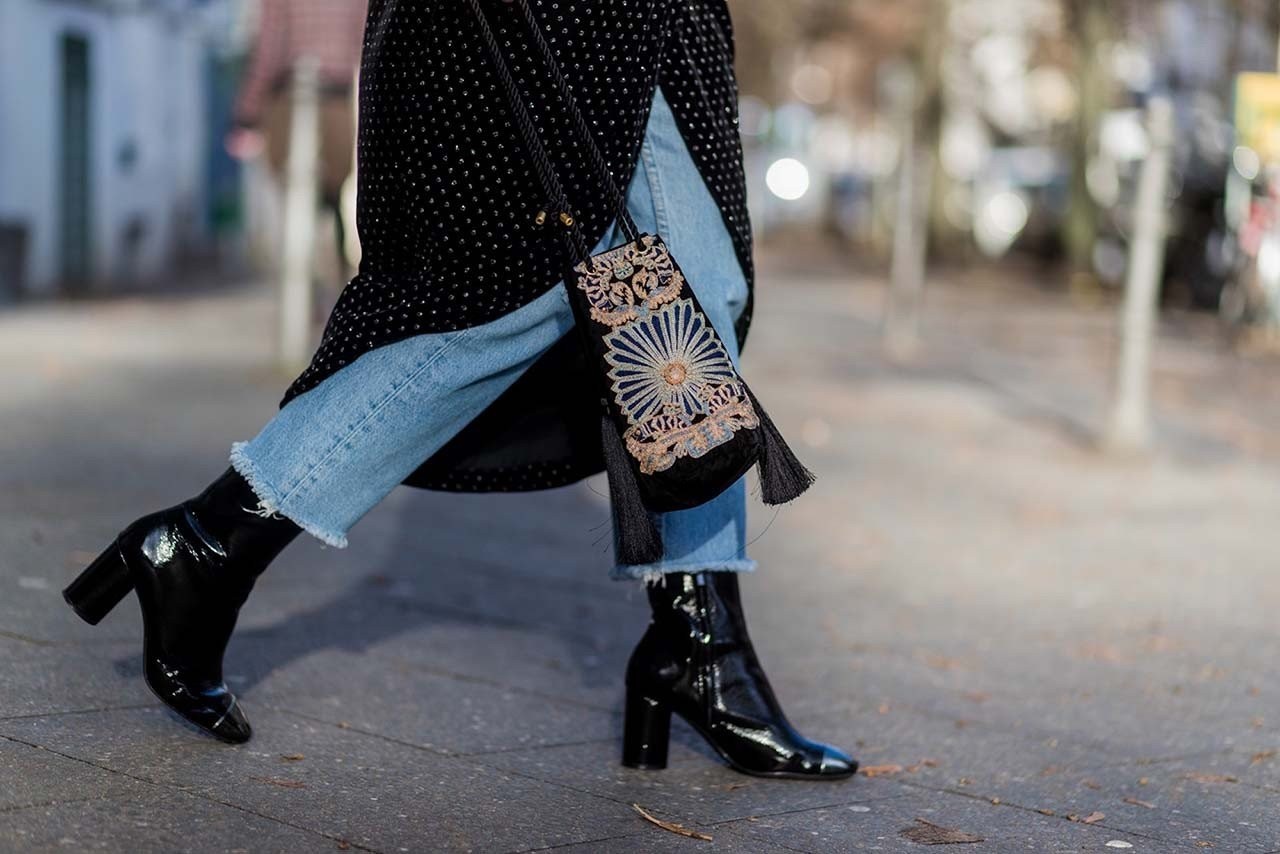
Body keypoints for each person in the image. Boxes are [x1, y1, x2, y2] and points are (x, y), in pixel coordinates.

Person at [62, 0, 856, 780]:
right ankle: (209, 543)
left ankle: (698, 646)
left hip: (657, 18)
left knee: (690, 295)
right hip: (538, 20)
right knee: (514, 288)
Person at [227, 0, 368, 281]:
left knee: (288, 179)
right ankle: (335, 262)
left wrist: (247, 113)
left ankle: (307, 265)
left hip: (289, 97)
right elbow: (364, 46)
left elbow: (268, 50)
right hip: (336, 98)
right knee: (334, 188)